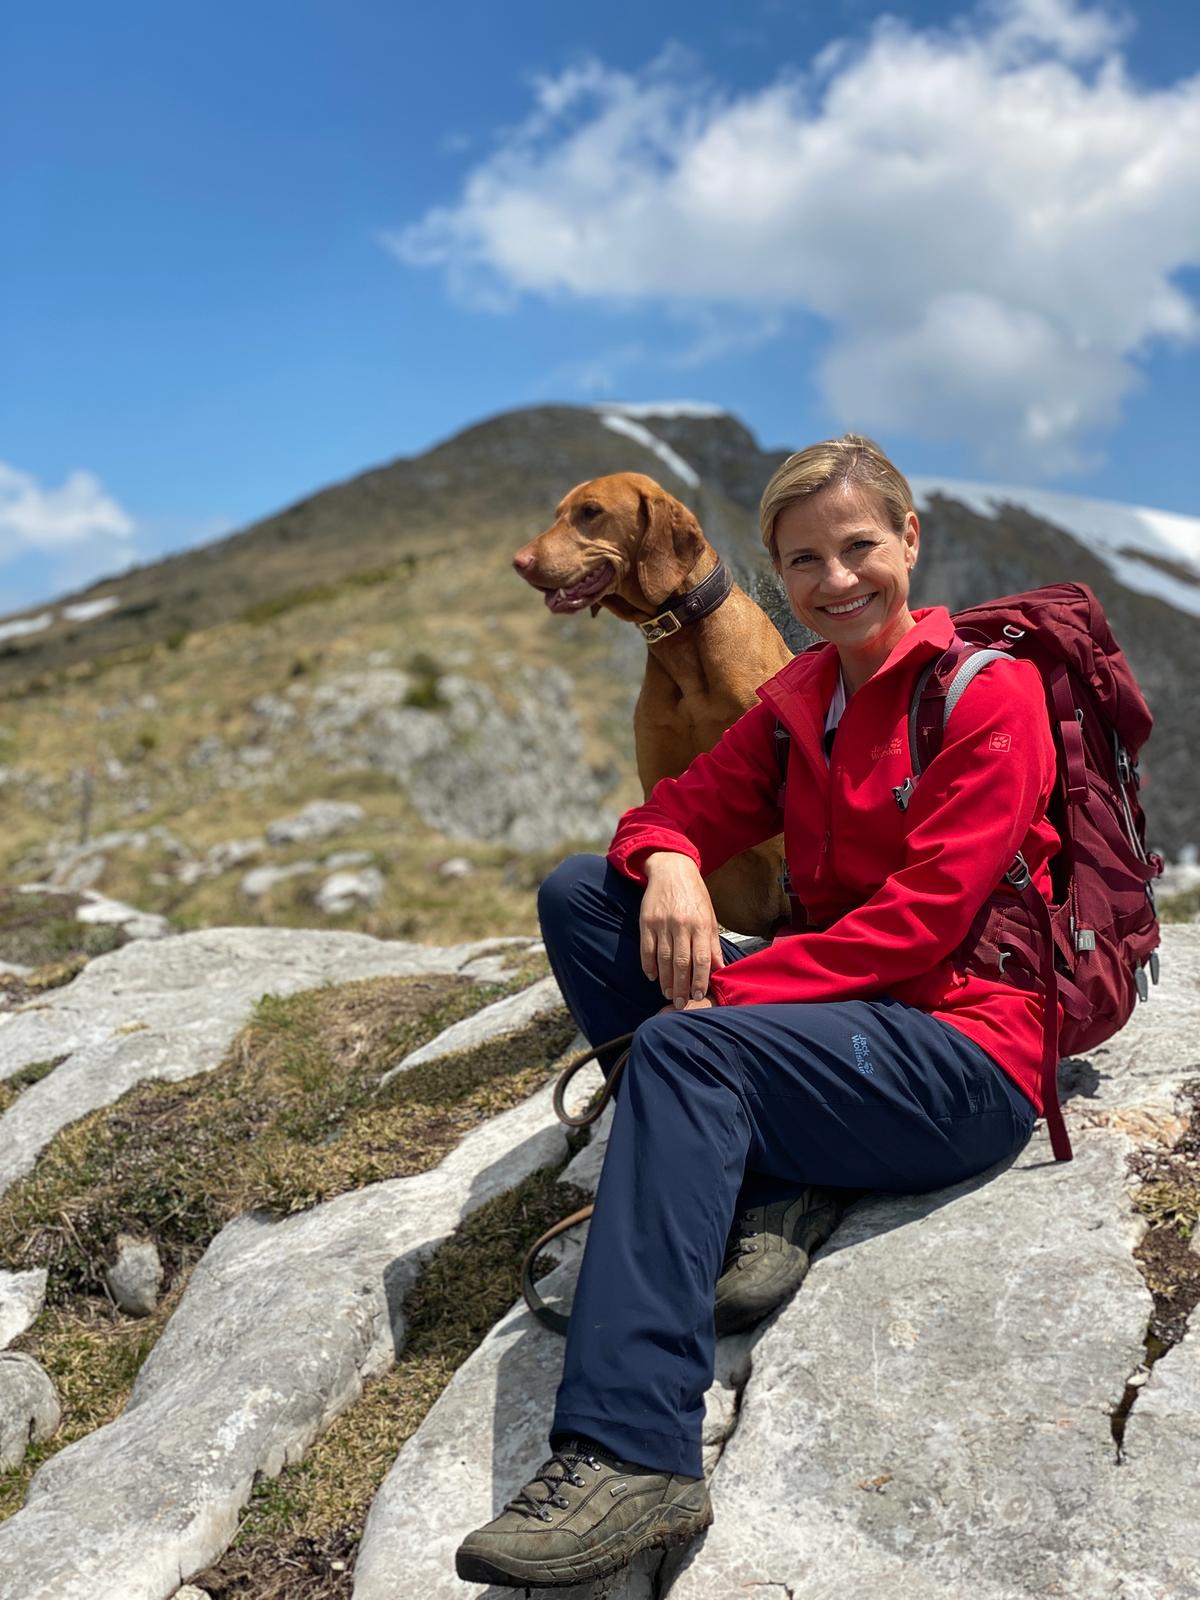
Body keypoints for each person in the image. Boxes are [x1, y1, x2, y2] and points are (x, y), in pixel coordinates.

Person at [456, 435, 1059, 1591]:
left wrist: (723, 995)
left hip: (963, 1055)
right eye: (805, 561)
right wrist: (674, 857)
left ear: (909, 540)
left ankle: (634, 1455)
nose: (835, 581)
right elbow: (665, 813)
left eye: (858, 548)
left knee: (688, 1047)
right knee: (587, 894)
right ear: (772, 575)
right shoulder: (798, 699)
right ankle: (770, 1179)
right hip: (839, 1032)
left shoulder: (992, 696)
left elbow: (923, 925)